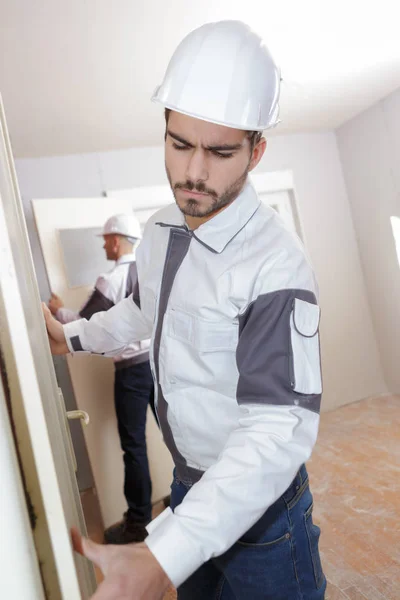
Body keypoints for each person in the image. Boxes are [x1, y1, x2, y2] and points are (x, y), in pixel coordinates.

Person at [44, 20, 326, 600]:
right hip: (187, 487)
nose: (194, 173)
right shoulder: (161, 231)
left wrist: (164, 553)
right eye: (179, 144)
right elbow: (141, 313)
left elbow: (277, 431)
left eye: (221, 152)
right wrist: (68, 338)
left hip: (264, 515)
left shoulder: (276, 264)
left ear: (257, 150)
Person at [49, 213, 156, 544]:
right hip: (160, 362)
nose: (106, 245)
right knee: (176, 434)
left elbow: (85, 323)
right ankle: (186, 503)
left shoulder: (112, 278)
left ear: (117, 240)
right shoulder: (152, 271)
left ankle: (138, 523)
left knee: (133, 445)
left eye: (107, 239)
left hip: (132, 372)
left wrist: (58, 309)